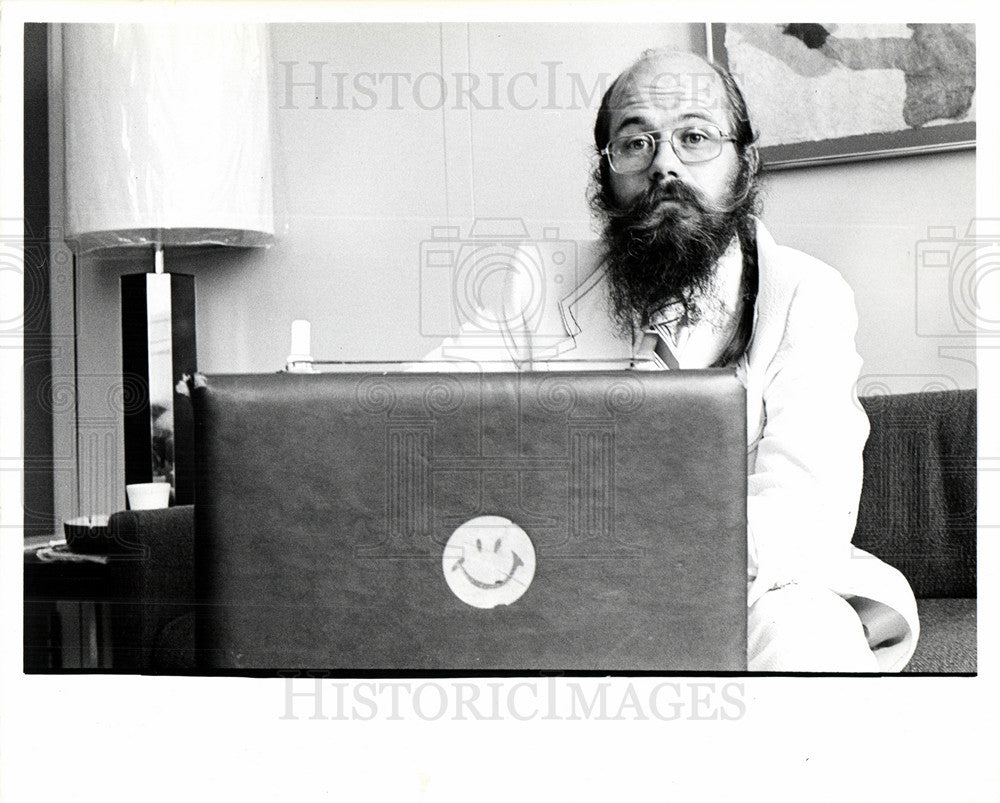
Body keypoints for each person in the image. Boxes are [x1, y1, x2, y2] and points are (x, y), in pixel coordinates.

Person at [423, 48, 919, 671]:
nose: (665, 165)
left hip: (750, 583)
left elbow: (803, 506)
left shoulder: (805, 294)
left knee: (807, 636)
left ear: (745, 162)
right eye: (636, 143)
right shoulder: (541, 283)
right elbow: (423, 409)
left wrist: (643, 577)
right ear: (606, 173)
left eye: (695, 137)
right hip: (558, 582)